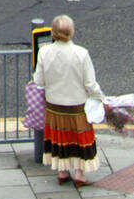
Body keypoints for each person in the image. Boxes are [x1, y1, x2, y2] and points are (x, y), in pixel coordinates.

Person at [32, 15, 107, 187]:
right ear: (71, 32)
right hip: (77, 105)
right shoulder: (81, 53)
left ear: (53, 32)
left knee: (60, 139)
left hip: (54, 105)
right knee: (78, 140)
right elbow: (90, 84)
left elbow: (39, 81)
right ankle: (79, 174)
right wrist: (101, 98)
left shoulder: (44, 52)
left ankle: (62, 172)